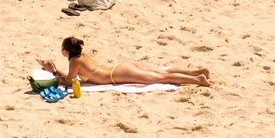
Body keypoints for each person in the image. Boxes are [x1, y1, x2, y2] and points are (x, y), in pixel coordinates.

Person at [56, 36, 208, 87]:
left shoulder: (75, 61)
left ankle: (197, 79)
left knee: (162, 78)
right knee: (163, 71)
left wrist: (55, 71)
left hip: (117, 74)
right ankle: (198, 71)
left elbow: (70, 81)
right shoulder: (83, 55)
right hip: (119, 67)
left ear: (66, 51)